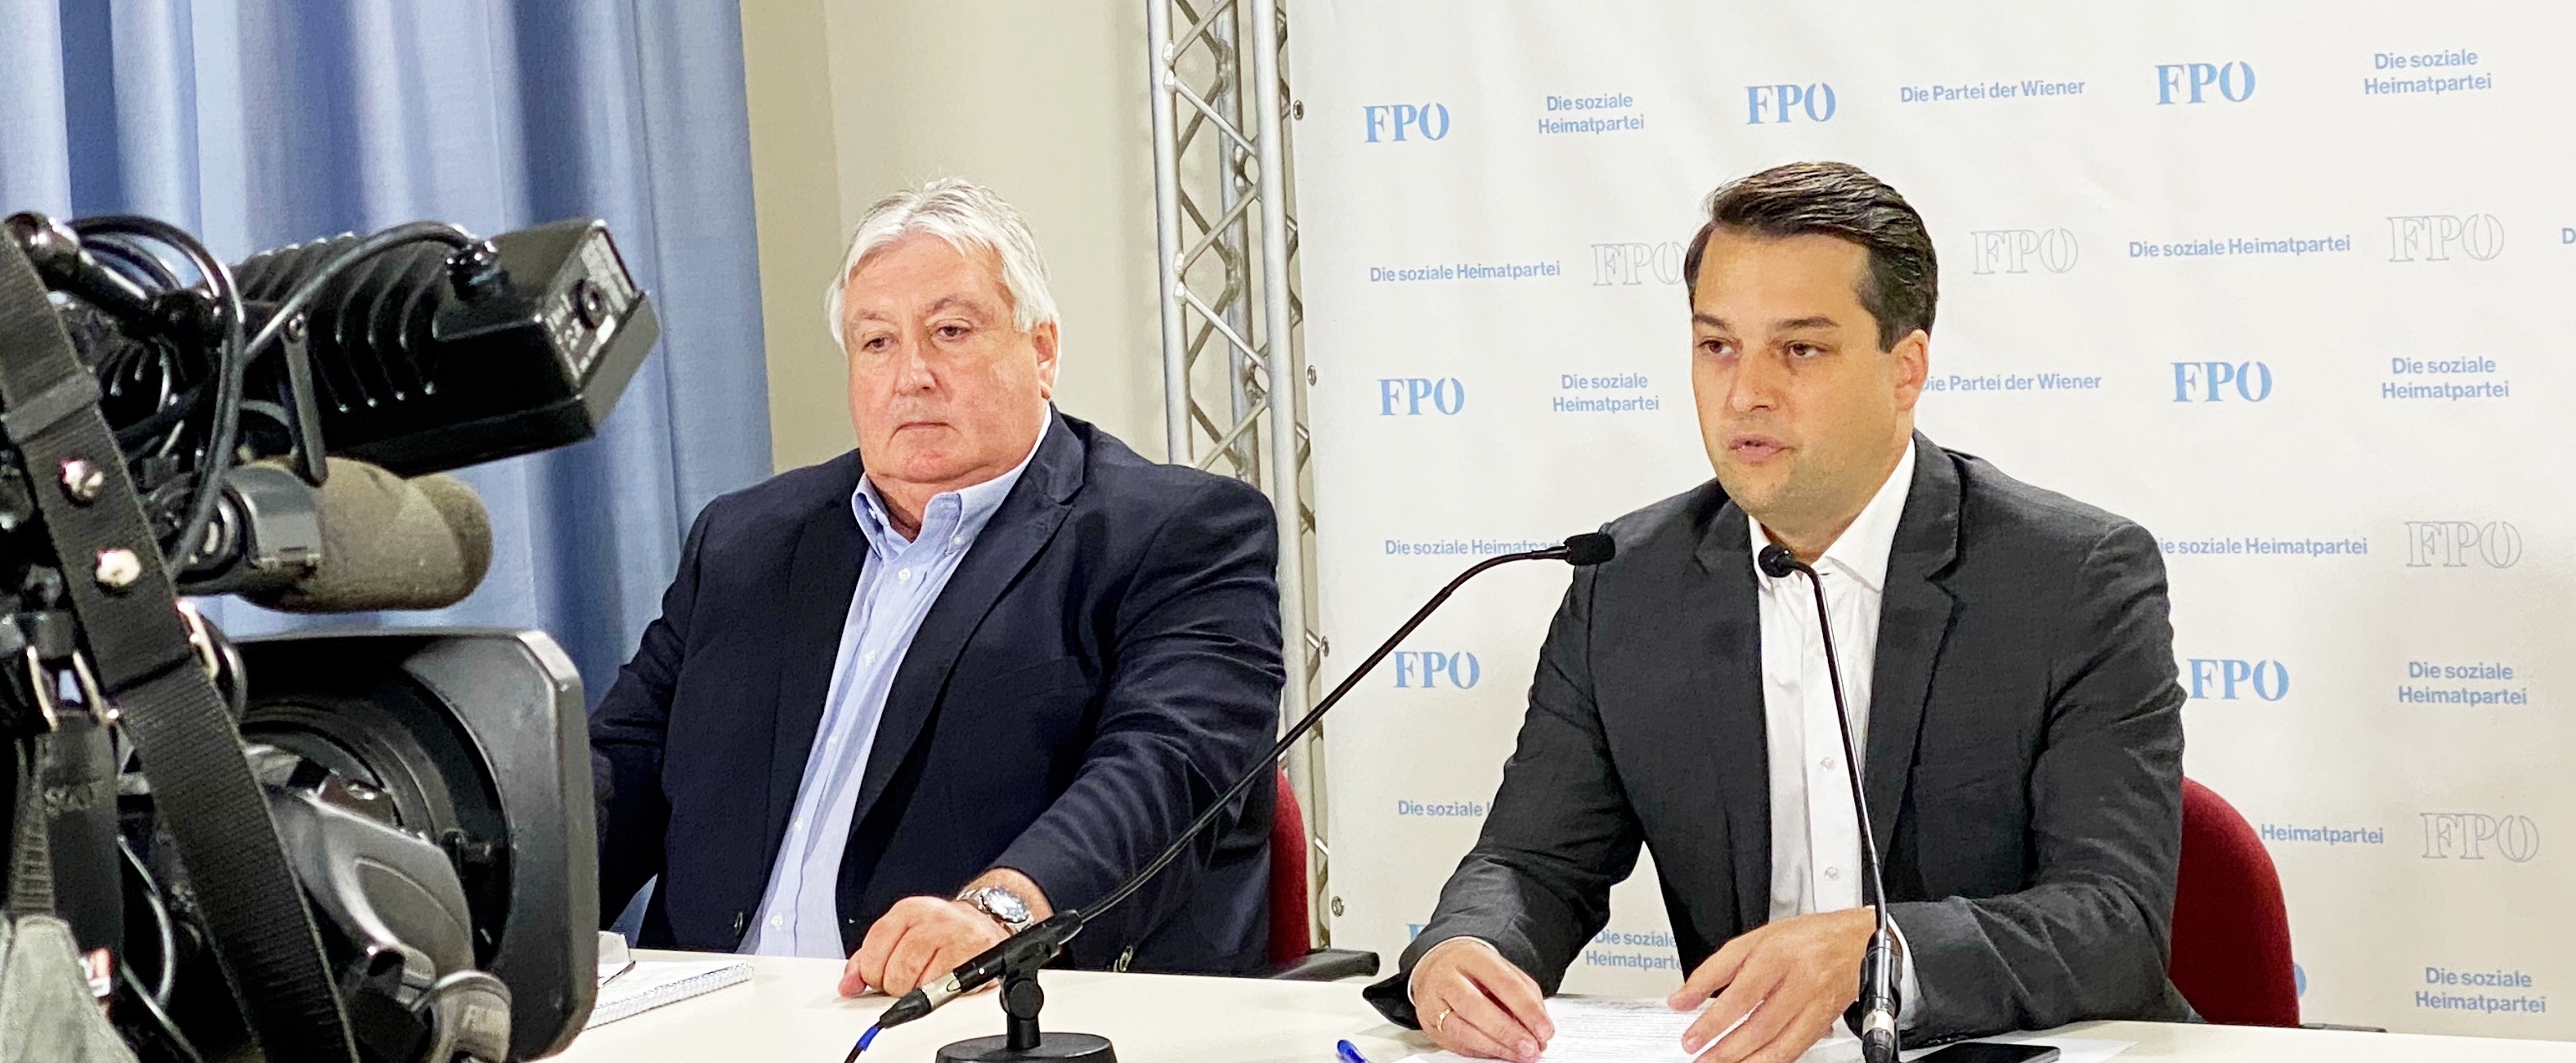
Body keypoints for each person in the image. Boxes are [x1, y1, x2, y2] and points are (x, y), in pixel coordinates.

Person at [1376, 161, 2191, 1063]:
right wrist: (1464, 951)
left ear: (1904, 369)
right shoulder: (1628, 583)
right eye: (1716, 346)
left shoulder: (2070, 578)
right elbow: (1532, 862)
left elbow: (2112, 919)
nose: (1745, 393)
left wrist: (1878, 951)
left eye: (1799, 349)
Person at [590, 177, 1284, 995]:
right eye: (876, 342)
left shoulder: (1176, 533)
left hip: (967, 1015)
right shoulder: (745, 541)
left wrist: (1000, 915)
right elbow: (619, 768)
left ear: (1042, 351)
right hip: (704, 1013)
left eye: (950, 331)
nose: (910, 374)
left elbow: (1166, 768)